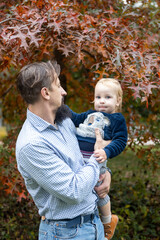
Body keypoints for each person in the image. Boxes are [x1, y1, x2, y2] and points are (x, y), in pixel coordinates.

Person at [16, 61, 112, 240]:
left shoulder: (64, 121)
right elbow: (73, 191)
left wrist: (106, 173)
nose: (64, 91)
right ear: (45, 93)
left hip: (94, 224)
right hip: (65, 233)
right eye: (58, 86)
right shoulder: (32, 144)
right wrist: (97, 157)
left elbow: (82, 163)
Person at [69, 78, 128, 240]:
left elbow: (121, 141)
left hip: (97, 159)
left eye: (108, 97)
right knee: (84, 188)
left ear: (118, 101)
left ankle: (108, 221)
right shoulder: (89, 114)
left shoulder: (117, 119)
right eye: (98, 97)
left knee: (99, 191)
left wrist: (107, 151)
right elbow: (74, 118)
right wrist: (61, 108)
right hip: (81, 161)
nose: (102, 101)